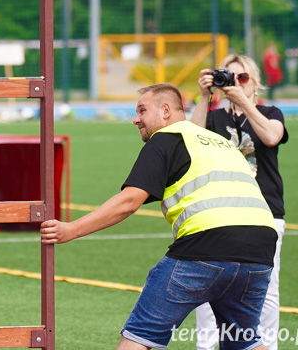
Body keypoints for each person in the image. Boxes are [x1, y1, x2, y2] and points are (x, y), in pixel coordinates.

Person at [41, 83, 277, 350]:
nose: (135, 119)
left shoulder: (167, 138)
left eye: (142, 110)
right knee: (243, 342)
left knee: (141, 336)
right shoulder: (220, 142)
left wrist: (71, 230)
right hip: (260, 251)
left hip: (206, 247)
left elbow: (129, 201)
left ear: (166, 111)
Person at [191, 55, 288, 350]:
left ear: (255, 82)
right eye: (228, 77)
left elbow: (271, 137)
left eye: (242, 78)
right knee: (209, 286)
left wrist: (244, 103)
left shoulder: (270, 112)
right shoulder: (213, 117)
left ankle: (267, 346)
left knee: (266, 288)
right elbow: (188, 141)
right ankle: (208, 346)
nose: (235, 83)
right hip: (219, 214)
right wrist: (204, 96)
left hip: (265, 214)